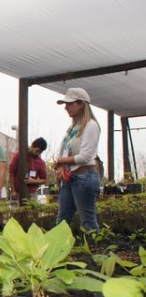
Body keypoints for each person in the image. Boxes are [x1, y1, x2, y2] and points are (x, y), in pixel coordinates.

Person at [53, 87, 101, 232]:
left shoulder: (91, 126)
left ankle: (95, 252)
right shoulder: (73, 128)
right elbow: (66, 152)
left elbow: (85, 156)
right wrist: (61, 166)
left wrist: (62, 161)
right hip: (71, 179)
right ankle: (58, 252)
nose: (66, 108)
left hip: (84, 177)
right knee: (61, 222)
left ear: (81, 104)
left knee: (88, 221)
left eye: (70, 104)